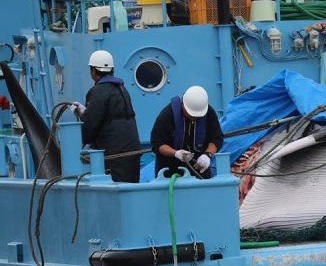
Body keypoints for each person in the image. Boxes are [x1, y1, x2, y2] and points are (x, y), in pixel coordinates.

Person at [70, 50, 141, 182]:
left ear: (93, 71)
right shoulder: (121, 89)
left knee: (115, 192)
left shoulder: (97, 91)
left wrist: (83, 118)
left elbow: (90, 127)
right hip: (132, 150)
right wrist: (87, 112)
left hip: (114, 154)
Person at [150, 86, 223, 179]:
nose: (195, 118)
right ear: (183, 105)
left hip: (200, 169)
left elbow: (217, 138)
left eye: (198, 116)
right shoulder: (167, 115)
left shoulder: (209, 113)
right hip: (169, 172)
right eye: (191, 114)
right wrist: (175, 153)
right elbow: (157, 144)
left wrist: (207, 155)